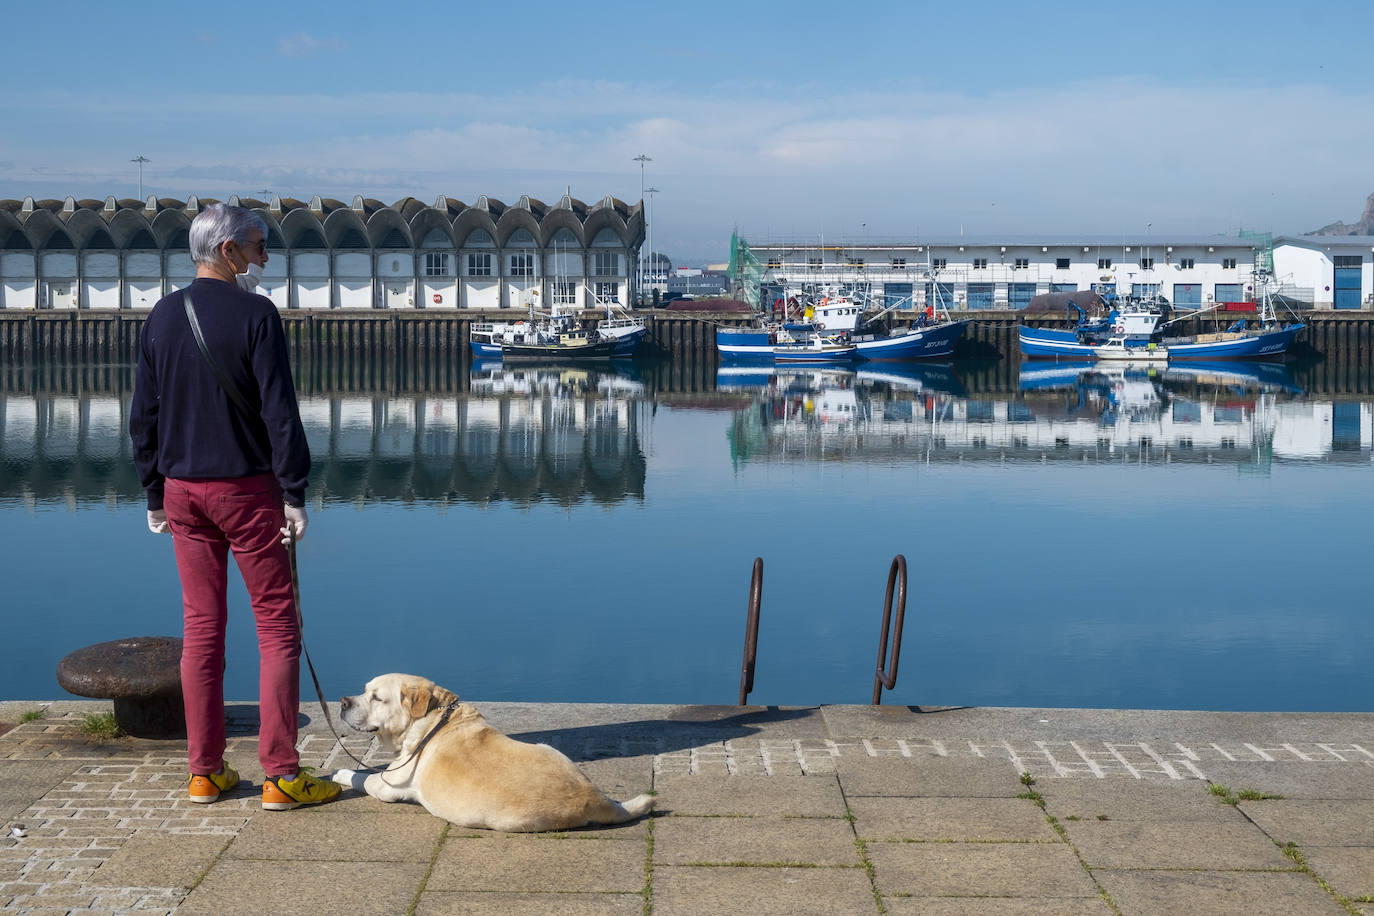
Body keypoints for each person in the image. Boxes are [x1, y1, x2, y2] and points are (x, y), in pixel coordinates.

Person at [129, 203, 340, 811]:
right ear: (226, 250)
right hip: (247, 492)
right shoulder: (256, 314)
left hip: (181, 492)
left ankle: (205, 772)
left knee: (202, 630)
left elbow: (143, 413)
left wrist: (152, 491)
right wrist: (294, 491)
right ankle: (280, 774)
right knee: (277, 627)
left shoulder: (163, 316)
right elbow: (280, 411)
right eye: (257, 244)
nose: (264, 255)